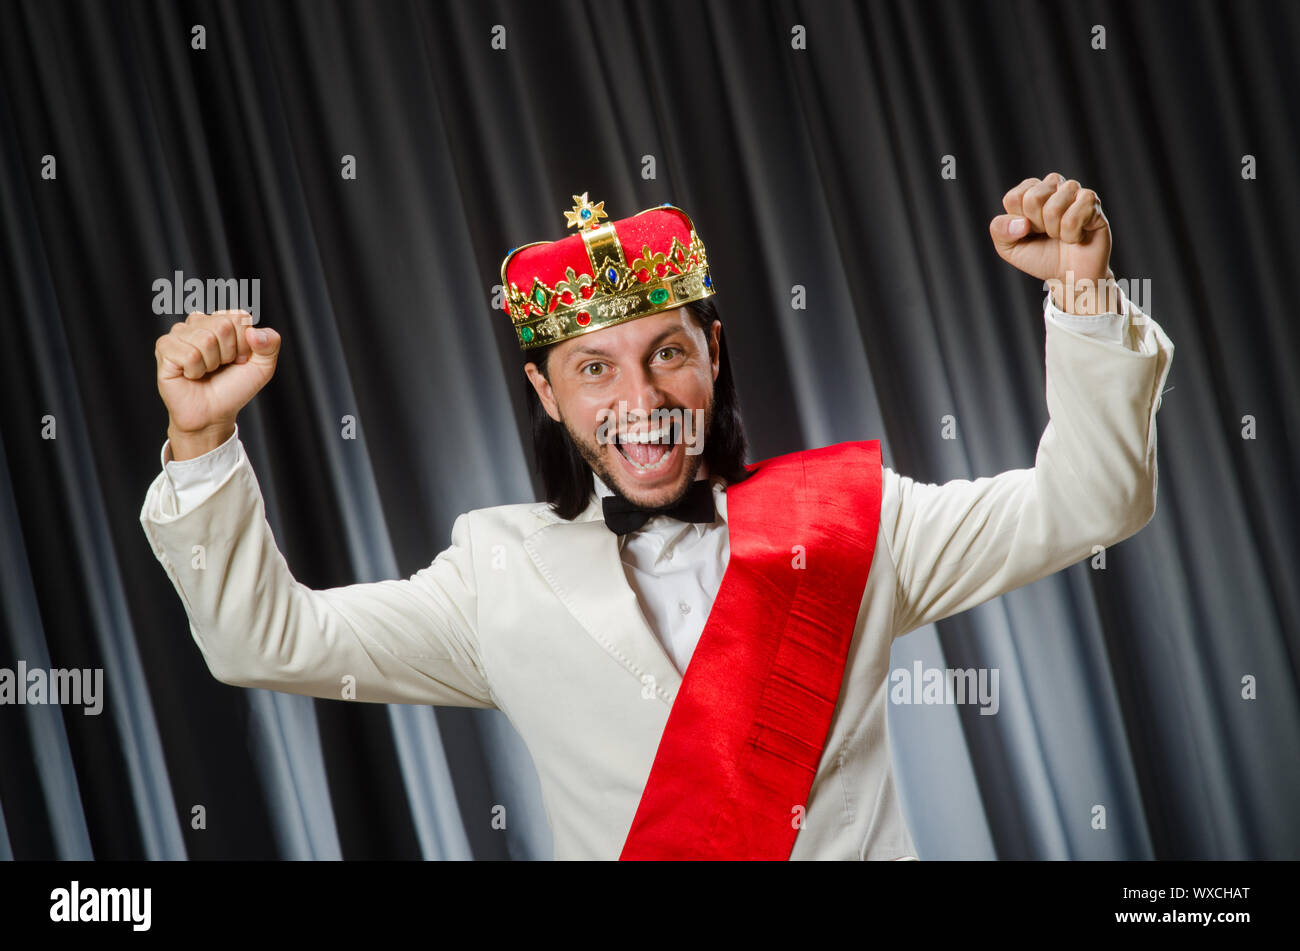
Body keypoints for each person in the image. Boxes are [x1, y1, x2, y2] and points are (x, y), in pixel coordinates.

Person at [140, 177, 1174, 860]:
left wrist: (1082, 293)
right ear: (548, 395)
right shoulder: (491, 575)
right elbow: (257, 640)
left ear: (711, 357)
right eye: (593, 367)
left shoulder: (858, 521)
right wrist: (200, 445)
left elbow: (1092, 500)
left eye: (665, 351)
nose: (637, 392)